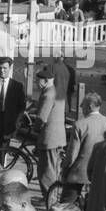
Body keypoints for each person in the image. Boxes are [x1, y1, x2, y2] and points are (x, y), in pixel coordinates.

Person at [64, 93, 106, 187]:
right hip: (101, 171)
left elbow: (72, 153)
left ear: (90, 106)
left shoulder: (79, 124)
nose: (80, 106)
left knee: (66, 199)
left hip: (81, 172)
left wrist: (65, 170)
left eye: (82, 104)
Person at [34, 69, 67, 197]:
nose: (36, 83)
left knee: (46, 174)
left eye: (38, 81)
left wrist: (35, 128)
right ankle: (54, 199)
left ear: (46, 81)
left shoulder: (47, 94)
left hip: (49, 139)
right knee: (55, 171)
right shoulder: (58, 92)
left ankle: (50, 202)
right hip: (59, 138)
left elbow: (42, 117)